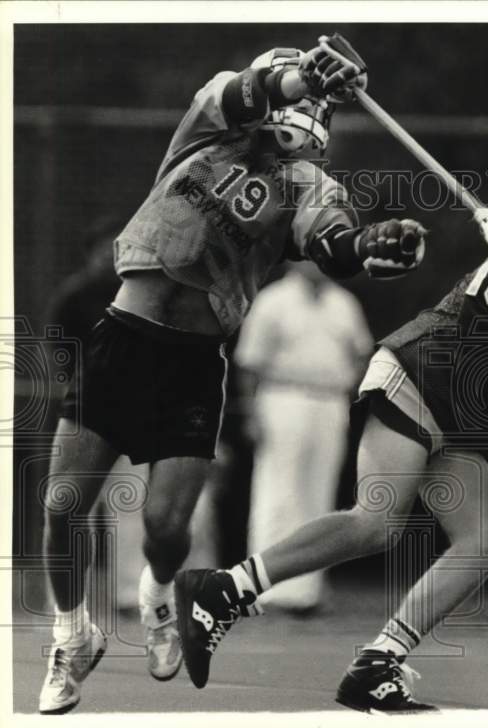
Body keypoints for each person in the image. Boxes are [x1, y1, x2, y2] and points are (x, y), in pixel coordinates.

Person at [174, 179, 488, 712]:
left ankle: (378, 663)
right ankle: (223, 590)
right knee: (376, 521)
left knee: (485, 541)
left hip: (458, 421)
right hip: (420, 375)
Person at [38, 35, 428, 715]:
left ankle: (159, 594)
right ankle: (72, 637)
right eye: (296, 85)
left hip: (194, 361)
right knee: (63, 504)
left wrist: (373, 244)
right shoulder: (211, 126)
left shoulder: (309, 183)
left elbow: (333, 244)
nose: (302, 105)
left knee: (166, 529)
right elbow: (252, 89)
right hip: (123, 337)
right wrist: (307, 75)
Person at [235, 261, 373, 612]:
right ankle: (265, 587)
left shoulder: (343, 302)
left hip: (330, 399)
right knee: (278, 490)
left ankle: (307, 590)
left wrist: (349, 384)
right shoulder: (273, 300)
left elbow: (362, 352)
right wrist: (250, 414)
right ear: (295, 259)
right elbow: (249, 363)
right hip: (284, 395)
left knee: (319, 491)